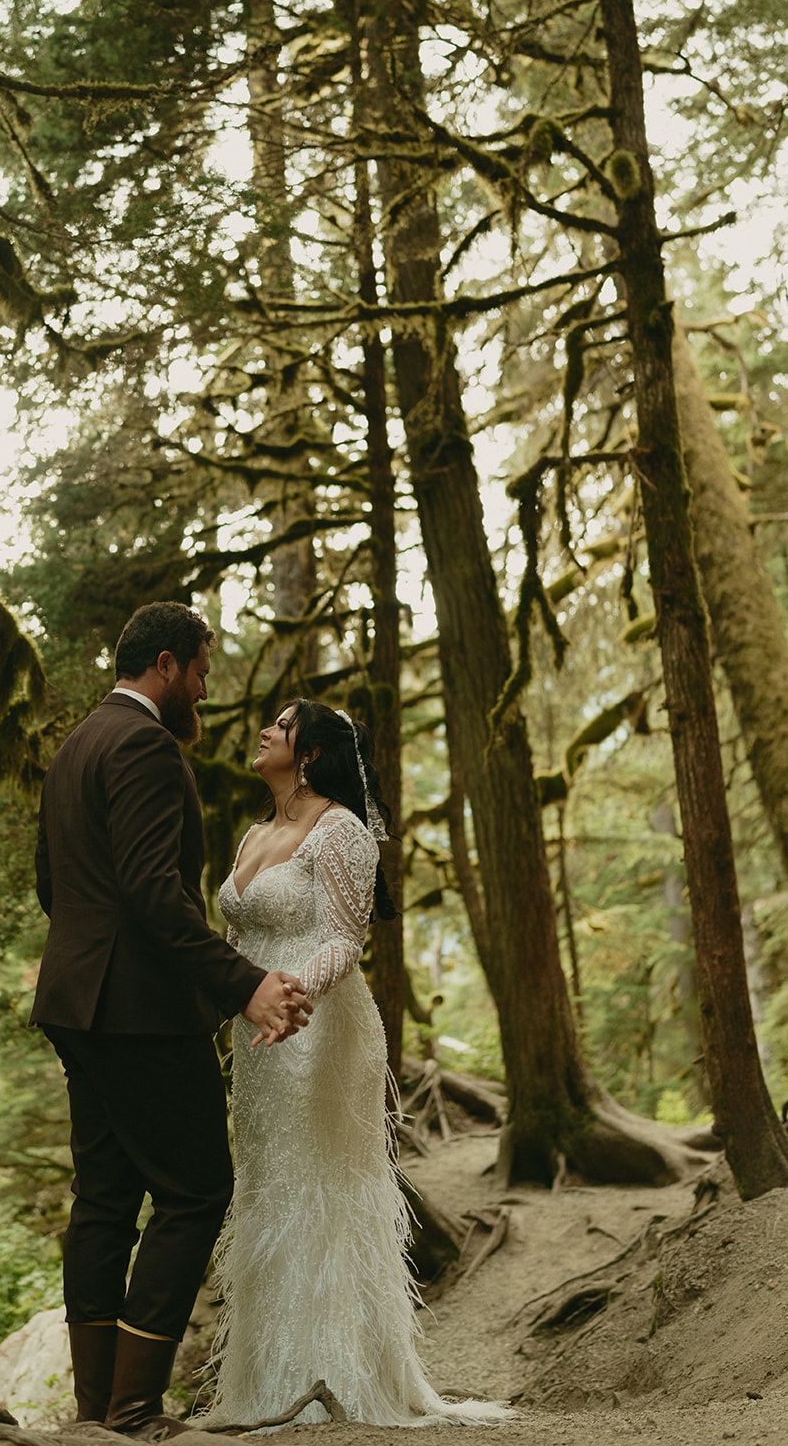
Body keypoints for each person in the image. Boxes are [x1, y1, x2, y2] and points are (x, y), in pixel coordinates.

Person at [31, 603, 313, 1439]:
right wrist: (244, 986)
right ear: (165, 663)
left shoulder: (76, 745)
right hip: (142, 1013)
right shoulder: (148, 747)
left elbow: (56, 882)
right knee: (195, 1192)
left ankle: (95, 1415)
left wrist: (91, 958)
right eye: (199, 670)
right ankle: (132, 1409)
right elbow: (157, 895)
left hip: (77, 1002)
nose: (204, 687)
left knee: (107, 1198)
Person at [200, 700, 514, 1428]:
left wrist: (291, 991)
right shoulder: (252, 833)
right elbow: (230, 938)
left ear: (307, 753)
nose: (262, 733)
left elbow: (346, 940)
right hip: (257, 1043)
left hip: (317, 1027)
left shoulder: (341, 829)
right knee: (268, 1189)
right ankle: (264, 1384)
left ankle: (338, 1376)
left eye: (278, 727)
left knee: (318, 1189)